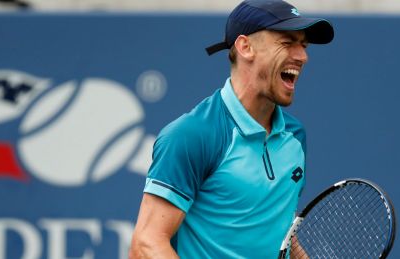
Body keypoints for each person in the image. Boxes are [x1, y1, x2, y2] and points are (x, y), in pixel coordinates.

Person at [129, 0, 334, 258]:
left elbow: (280, 233)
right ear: (245, 47)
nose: (302, 56)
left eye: (303, 45)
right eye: (287, 42)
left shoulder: (295, 136)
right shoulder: (192, 135)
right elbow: (146, 244)